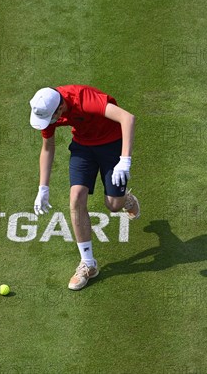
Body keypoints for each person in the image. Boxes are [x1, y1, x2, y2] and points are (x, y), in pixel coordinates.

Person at [29, 85, 140, 290]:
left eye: (51, 117)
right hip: (83, 147)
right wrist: (42, 188)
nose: (49, 123)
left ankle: (127, 199)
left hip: (112, 143)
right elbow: (47, 148)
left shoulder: (83, 99)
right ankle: (88, 264)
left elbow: (128, 118)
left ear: (60, 107)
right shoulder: (48, 109)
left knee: (114, 205)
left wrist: (125, 161)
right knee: (76, 198)